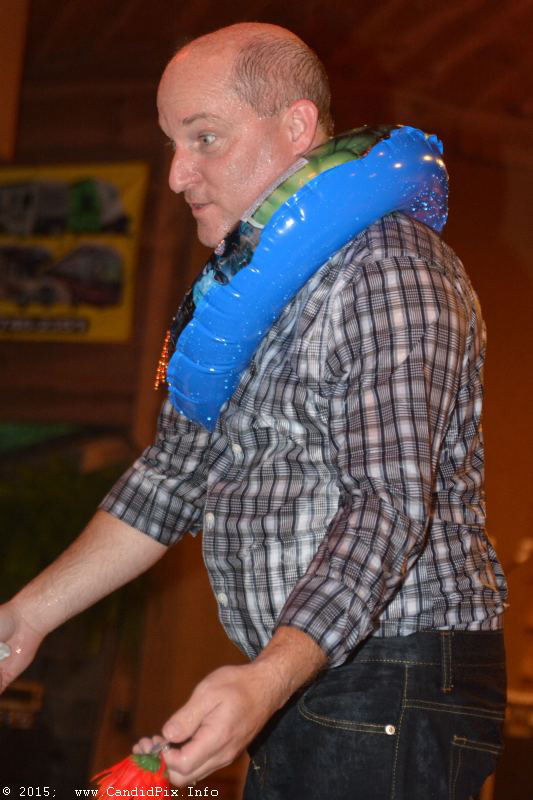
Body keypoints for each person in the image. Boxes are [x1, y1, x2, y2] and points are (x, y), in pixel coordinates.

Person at [0, 22, 507, 799]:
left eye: (204, 138)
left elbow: (386, 503)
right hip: (309, 671)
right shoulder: (242, 293)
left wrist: (267, 677)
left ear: (296, 127)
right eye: (172, 144)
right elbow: (169, 480)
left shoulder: (385, 268)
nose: (178, 174)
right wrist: (27, 616)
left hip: (392, 676)